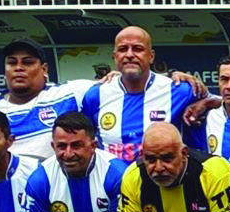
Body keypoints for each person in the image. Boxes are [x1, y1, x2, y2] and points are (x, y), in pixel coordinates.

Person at [79, 26, 201, 163]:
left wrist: (204, 103)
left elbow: (223, 102)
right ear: (114, 57)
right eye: (123, 49)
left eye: (137, 49)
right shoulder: (95, 95)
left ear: (151, 56)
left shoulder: (179, 90)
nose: (129, 54)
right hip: (114, 182)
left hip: (160, 180)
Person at [0, 38, 83, 160]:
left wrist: (110, 74)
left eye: (27, 62)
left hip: (56, 178)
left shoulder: (69, 93)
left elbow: (107, 89)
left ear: (44, 69)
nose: (18, 68)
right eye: (12, 62)